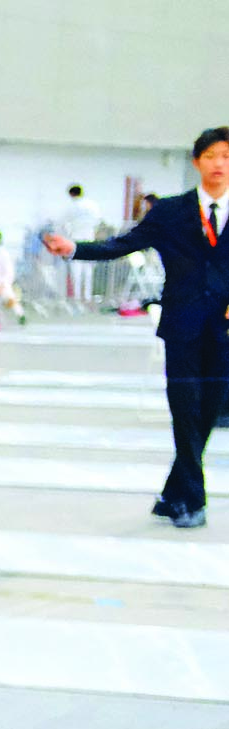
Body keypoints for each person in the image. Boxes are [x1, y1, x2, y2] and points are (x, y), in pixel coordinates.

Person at [47, 127, 229, 530]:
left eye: (227, 157)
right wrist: (75, 249)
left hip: (224, 331)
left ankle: (173, 493)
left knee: (210, 413)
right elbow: (122, 245)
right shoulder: (171, 211)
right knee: (185, 409)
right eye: (211, 156)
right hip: (182, 326)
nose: (219, 164)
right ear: (197, 162)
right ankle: (192, 502)